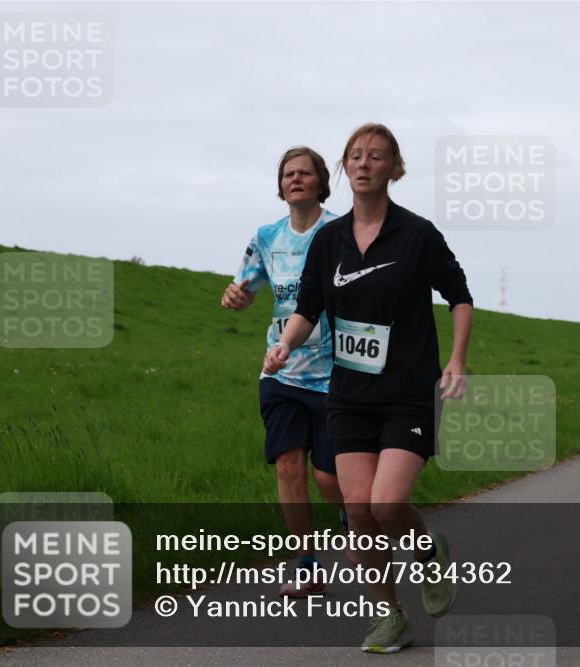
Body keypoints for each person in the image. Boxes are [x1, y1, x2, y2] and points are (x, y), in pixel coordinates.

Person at [264, 123, 474, 653]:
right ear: (344, 167)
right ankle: (390, 616)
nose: (363, 163)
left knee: (386, 503)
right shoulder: (327, 241)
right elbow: (308, 307)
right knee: (357, 510)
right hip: (349, 395)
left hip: (407, 391)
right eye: (354, 156)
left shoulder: (417, 234)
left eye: (375, 156)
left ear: (393, 168)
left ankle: (428, 553)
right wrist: (285, 345)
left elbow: (460, 296)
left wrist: (456, 360)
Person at [221, 146, 348, 597]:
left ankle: (351, 514)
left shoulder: (340, 231)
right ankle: (307, 563)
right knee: (289, 467)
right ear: (280, 186)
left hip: (335, 375)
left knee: (329, 478)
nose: (295, 179)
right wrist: (237, 296)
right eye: (288, 174)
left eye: (305, 173)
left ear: (320, 183)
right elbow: (247, 287)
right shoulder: (266, 236)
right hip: (280, 371)